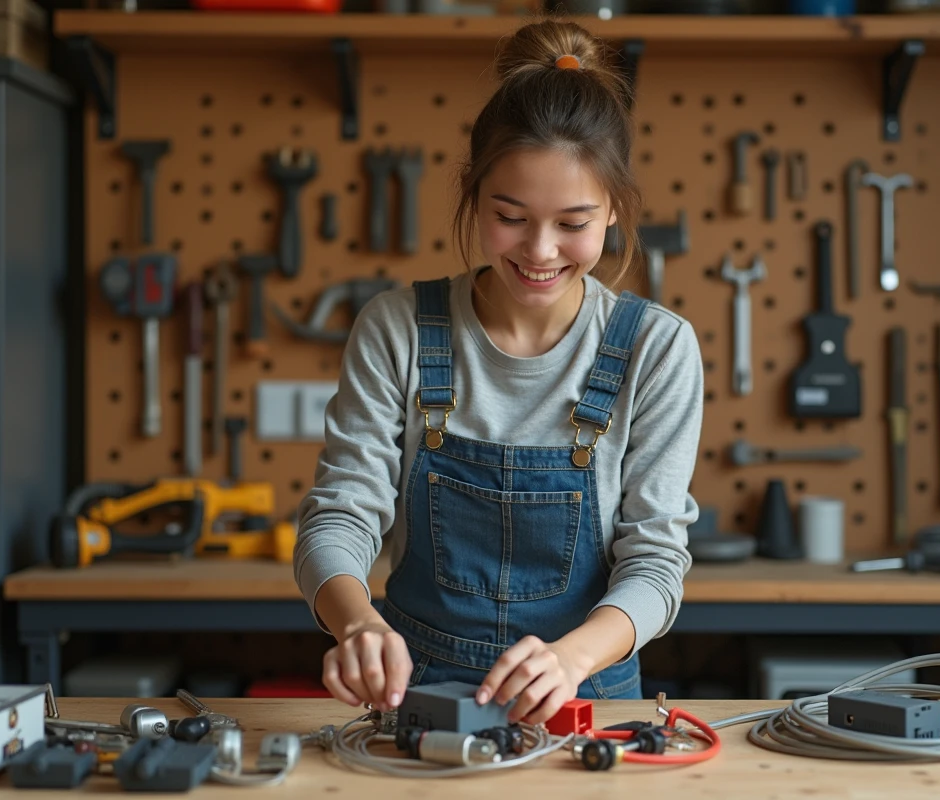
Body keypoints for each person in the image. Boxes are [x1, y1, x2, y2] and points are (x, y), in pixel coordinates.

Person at [294, 17, 703, 727]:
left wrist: (572, 658)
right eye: (509, 215)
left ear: (614, 210)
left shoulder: (656, 348)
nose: (540, 250)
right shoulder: (396, 328)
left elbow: (656, 562)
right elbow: (340, 512)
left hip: (586, 699)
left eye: (573, 222)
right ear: (473, 195)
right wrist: (355, 623)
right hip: (414, 693)